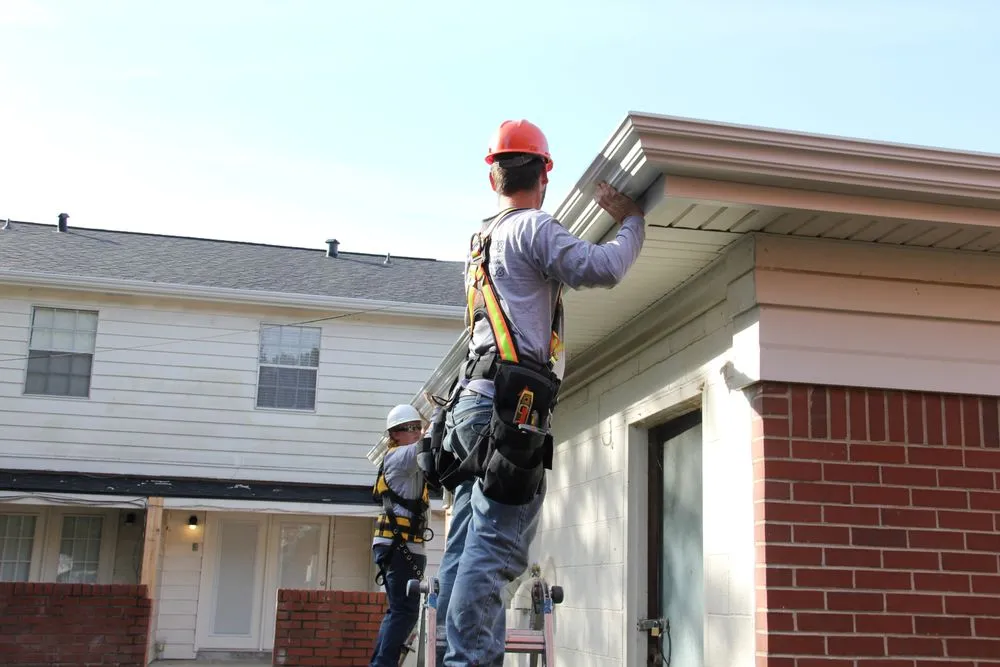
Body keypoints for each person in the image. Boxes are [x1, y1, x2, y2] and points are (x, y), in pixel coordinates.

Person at [431, 119, 647, 665]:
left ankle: (458, 655)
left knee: (464, 546)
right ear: (543, 177)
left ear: (494, 179)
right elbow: (601, 268)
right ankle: (470, 660)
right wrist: (633, 222)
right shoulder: (532, 227)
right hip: (509, 409)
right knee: (497, 544)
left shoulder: (480, 240)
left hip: (471, 407)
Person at [370, 403, 431, 667]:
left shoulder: (405, 458)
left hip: (400, 547)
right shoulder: (399, 456)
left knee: (398, 612)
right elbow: (428, 444)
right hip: (399, 546)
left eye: (418, 427)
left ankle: (380, 663)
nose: (417, 432)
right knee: (405, 613)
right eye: (410, 428)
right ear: (395, 434)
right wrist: (442, 412)